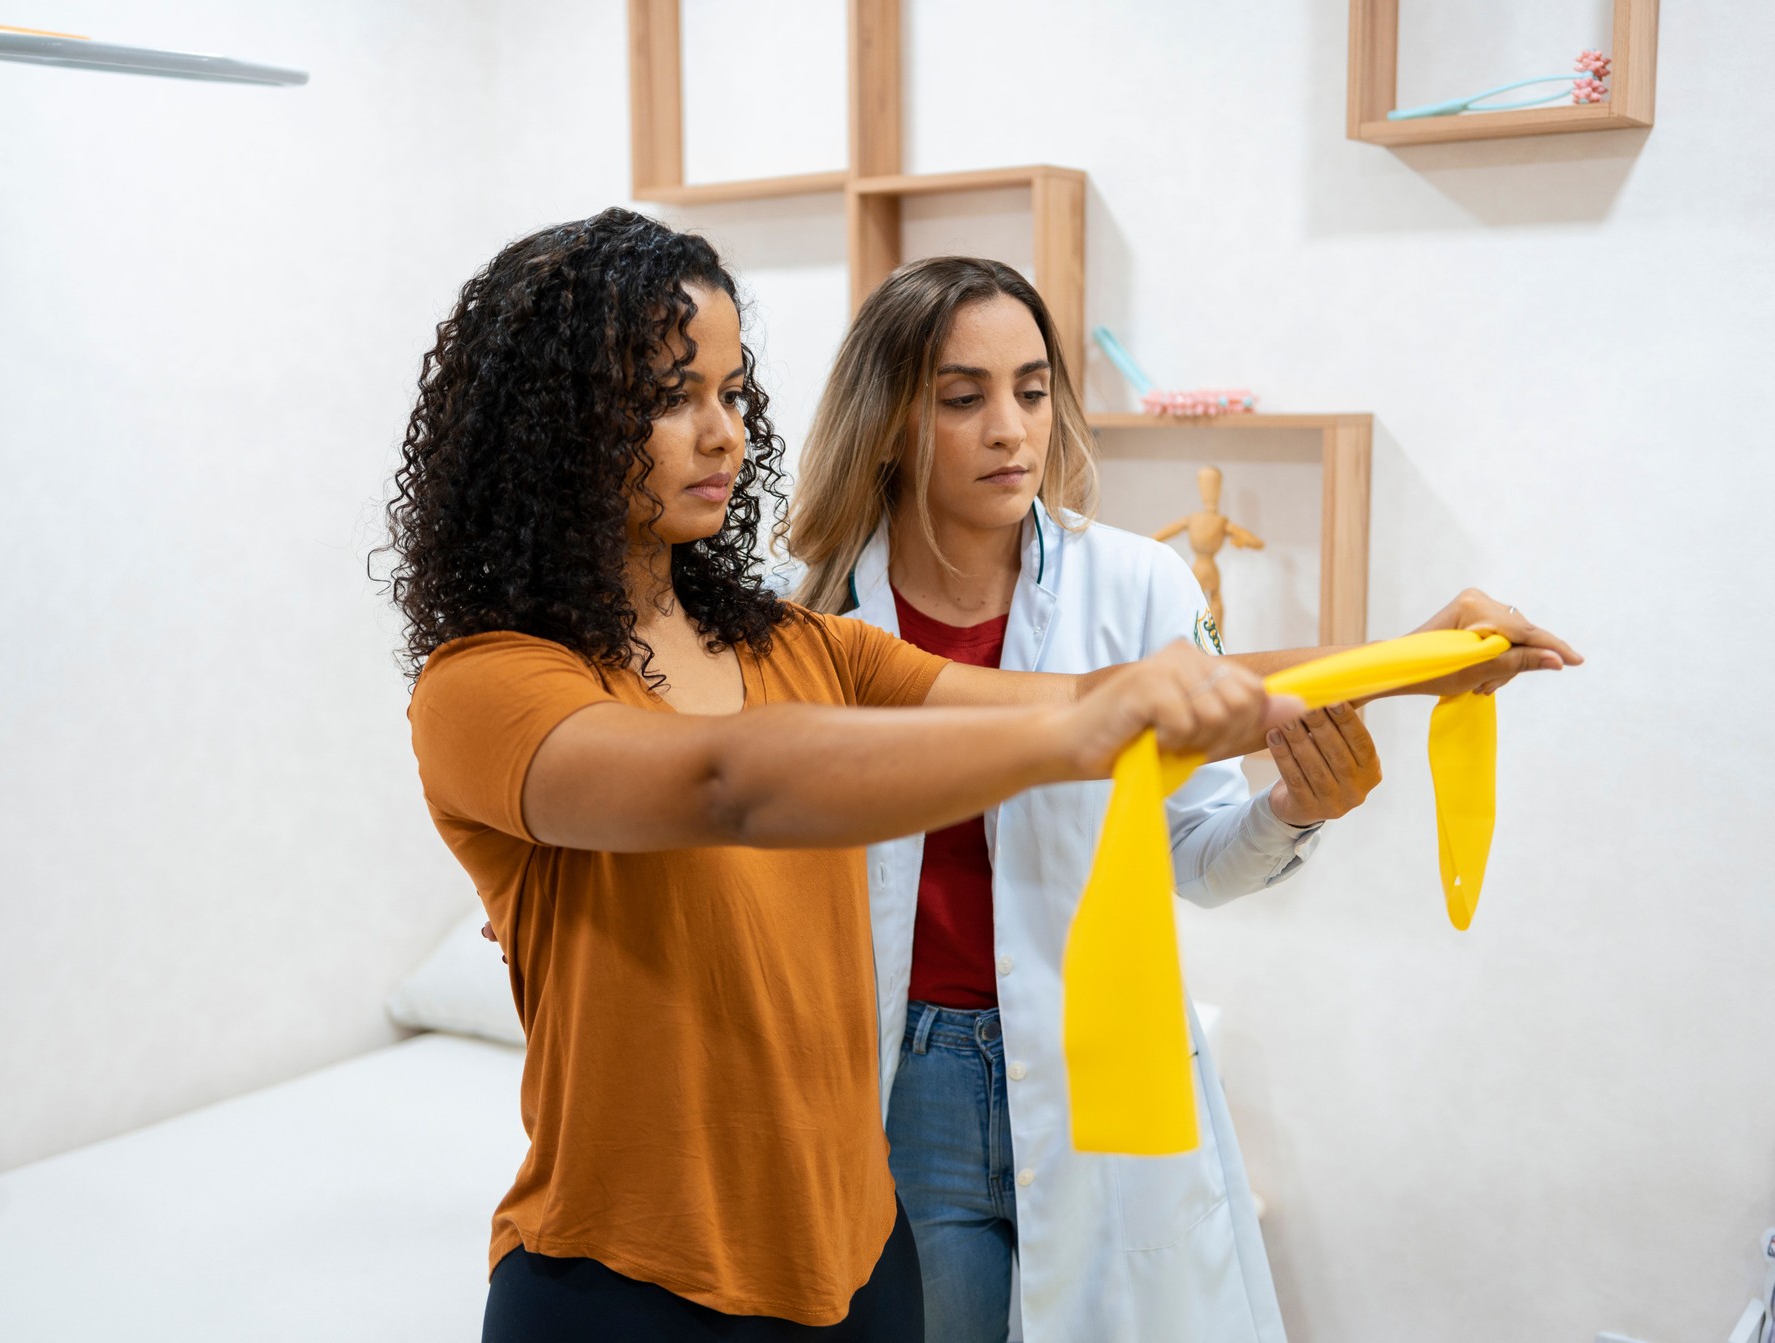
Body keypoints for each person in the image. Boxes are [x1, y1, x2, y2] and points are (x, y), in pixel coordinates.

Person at [381, 210, 1337, 1342]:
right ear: (552, 428)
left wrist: (1427, 658)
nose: (720, 434)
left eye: (733, 395)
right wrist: (1088, 728)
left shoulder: (801, 646)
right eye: (668, 396)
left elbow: (1101, 692)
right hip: (625, 1286)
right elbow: (728, 784)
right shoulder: (488, 685)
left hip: (860, 1269)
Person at [785, 256, 1581, 1343]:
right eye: (963, 397)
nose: (1013, 429)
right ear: (886, 423)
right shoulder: (813, 623)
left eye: (1031, 388)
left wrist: (1298, 807)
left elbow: (1200, 855)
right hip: (898, 1083)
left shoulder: (1138, 585)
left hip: (1100, 1057)